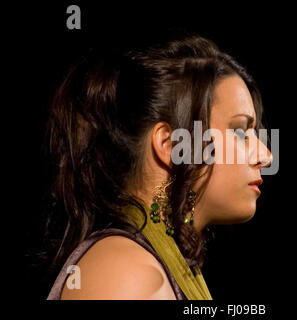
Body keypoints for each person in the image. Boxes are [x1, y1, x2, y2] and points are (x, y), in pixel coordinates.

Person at [43, 31, 273, 300]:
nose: (266, 155)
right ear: (172, 145)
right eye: (239, 132)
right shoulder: (126, 271)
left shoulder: (145, 263)